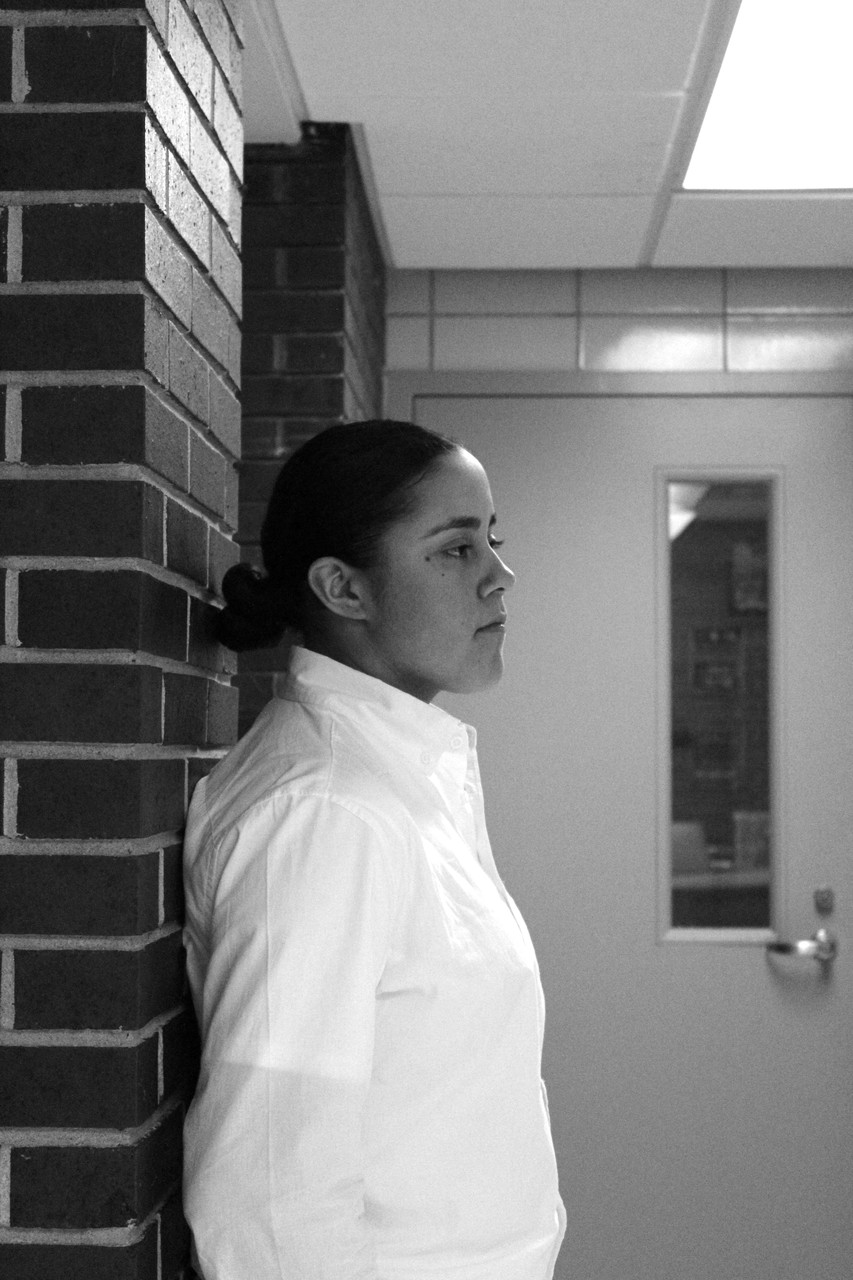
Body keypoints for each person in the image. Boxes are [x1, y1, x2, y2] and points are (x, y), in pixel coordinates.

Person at [182, 419, 566, 1280]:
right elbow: (270, 1200)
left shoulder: (392, 782)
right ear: (343, 588)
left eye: (490, 541)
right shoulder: (324, 817)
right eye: (455, 549)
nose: (501, 577)